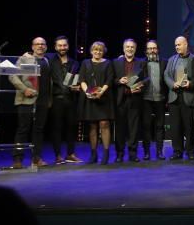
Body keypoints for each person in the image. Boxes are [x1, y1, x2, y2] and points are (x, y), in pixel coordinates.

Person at [9, 37, 52, 168]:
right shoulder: (24, 58)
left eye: (43, 44)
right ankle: (17, 160)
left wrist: (49, 100)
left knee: (39, 130)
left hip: (43, 100)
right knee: (23, 129)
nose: (40, 46)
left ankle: (36, 158)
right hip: (26, 98)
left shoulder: (46, 60)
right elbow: (12, 75)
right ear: (32, 47)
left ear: (46, 47)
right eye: (37, 44)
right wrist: (24, 89)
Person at [46, 35, 83, 165]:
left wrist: (77, 87)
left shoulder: (75, 63)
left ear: (68, 46)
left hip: (71, 99)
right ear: (55, 47)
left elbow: (77, 80)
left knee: (71, 128)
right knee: (56, 128)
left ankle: (70, 154)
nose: (62, 47)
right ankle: (57, 155)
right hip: (55, 99)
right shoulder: (49, 60)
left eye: (64, 45)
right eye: (60, 45)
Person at [78, 41, 115, 164]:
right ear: (91, 51)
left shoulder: (108, 63)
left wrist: (101, 92)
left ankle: (105, 153)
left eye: (100, 50)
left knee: (104, 124)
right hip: (89, 97)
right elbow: (82, 80)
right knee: (92, 125)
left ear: (103, 51)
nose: (97, 52)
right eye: (95, 50)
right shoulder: (85, 63)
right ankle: (93, 154)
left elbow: (109, 80)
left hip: (104, 97)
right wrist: (87, 92)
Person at [112, 39, 147, 162]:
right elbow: (111, 79)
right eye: (127, 47)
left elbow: (146, 79)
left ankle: (133, 154)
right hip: (121, 99)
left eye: (132, 47)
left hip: (135, 99)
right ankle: (120, 153)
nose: (130, 49)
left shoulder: (141, 62)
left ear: (135, 49)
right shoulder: (116, 63)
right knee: (120, 128)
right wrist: (118, 81)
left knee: (134, 128)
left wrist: (140, 87)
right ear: (123, 48)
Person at [164, 36, 194, 160]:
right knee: (175, 127)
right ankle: (177, 151)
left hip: (188, 97)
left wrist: (191, 84)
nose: (177, 47)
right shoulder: (172, 59)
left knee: (189, 127)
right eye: (176, 45)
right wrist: (173, 84)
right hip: (174, 97)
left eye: (179, 44)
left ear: (186, 44)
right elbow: (166, 75)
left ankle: (190, 151)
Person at [141, 40, 168, 160]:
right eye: (150, 48)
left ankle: (159, 152)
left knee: (159, 126)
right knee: (146, 126)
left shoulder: (164, 62)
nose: (152, 50)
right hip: (145, 99)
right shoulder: (141, 63)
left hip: (160, 99)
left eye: (154, 48)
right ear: (146, 51)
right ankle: (146, 152)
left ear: (158, 50)